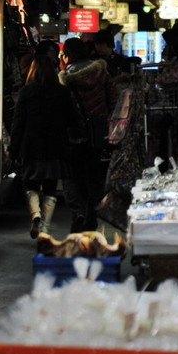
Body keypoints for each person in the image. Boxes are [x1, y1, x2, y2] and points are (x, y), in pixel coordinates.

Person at [8, 41, 71, 239]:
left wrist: (13, 148)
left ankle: (35, 215)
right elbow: (71, 119)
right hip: (56, 145)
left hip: (31, 145)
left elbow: (18, 123)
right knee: (51, 187)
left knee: (30, 184)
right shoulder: (62, 92)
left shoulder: (27, 92)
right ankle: (45, 229)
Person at [59, 36, 117, 232]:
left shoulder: (65, 78)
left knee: (71, 176)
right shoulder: (102, 72)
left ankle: (78, 212)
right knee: (94, 175)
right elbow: (114, 101)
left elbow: (64, 110)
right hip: (98, 133)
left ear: (67, 56)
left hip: (74, 136)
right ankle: (93, 212)